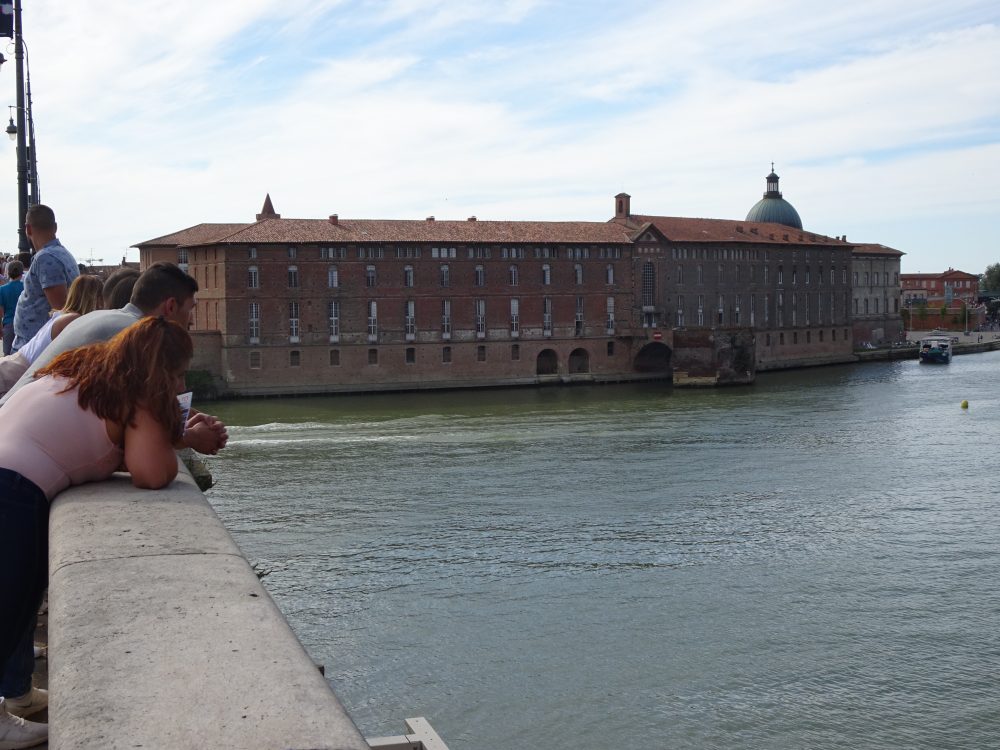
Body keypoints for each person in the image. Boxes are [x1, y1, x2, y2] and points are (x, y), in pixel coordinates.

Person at [0, 317, 194, 749]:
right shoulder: (138, 395)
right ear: (160, 370)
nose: (181, 383)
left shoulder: (83, 373)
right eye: (179, 373)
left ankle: (16, 697)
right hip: (12, 487)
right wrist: (170, 434)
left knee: (17, 598)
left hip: (9, 472)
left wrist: (177, 436)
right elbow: (150, 472)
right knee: (8, 605)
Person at [2, 262, 227, 456]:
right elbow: (143, 423)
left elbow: (150, 402)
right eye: (190, 309)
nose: (191, 322)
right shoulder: (135, 336)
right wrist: (190, 437)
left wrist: (198, 417)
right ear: (170, 306)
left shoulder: (101, 318)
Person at [0, 275, 104, 409]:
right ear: (96, 298)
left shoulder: (62, 315)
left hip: (13, 367)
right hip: (15, 373)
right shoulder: (72, 320)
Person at [12, 205, 79, 352]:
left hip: (36, 347)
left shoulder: (46, 258)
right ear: (55, 227)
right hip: (38, 344)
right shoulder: (63, 254)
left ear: (28, 229)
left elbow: (61, 309)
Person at [0, 261, 24, 355]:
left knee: (7, 355)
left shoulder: (2, 289)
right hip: (23, 324)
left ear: (8, 273)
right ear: (21, 273)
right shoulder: (25, 287)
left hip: (8, 324)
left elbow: (0, 313)